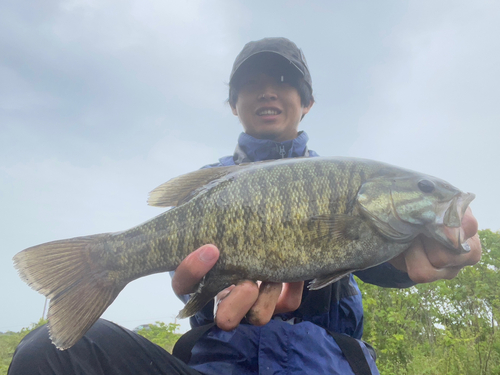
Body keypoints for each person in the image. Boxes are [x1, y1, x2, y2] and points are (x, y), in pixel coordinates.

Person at [9, 37, 481, 375]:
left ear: (308, 102)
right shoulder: (209, 187)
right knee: (49, 355)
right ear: (233, 103)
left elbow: (371, 264)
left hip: (327, 365)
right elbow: (197, 285)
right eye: (251, 83)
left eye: (284, 80)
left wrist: (404, 262)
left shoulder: (344, 186)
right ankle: (106, 263)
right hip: (215, 364)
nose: (268, 90)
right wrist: (204, 295)